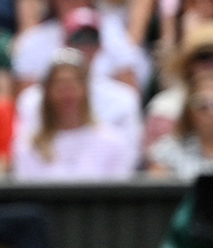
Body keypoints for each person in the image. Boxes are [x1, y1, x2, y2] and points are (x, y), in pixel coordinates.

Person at [11, 51, 137, 179]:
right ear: (47, 92)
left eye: (73, 84)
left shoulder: (113, 142)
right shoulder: (29, 147)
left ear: (86, 89)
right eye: (60, 85)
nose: (67, 93)